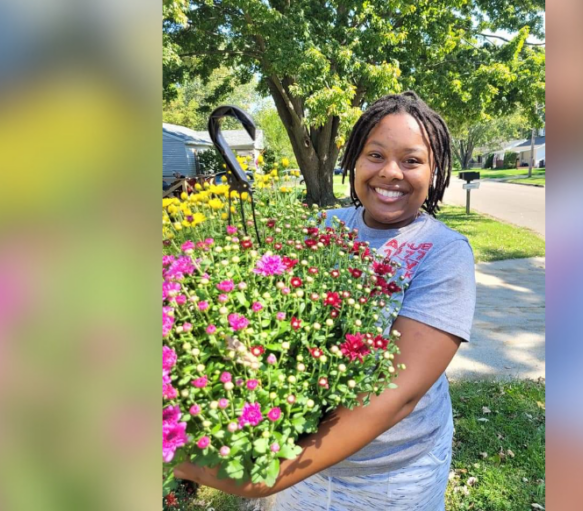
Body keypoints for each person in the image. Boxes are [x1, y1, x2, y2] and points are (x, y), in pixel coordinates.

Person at [174, 91, 477, 510]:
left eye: (411, 160)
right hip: (302, 466)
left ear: (434, 169)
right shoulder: (322, 225)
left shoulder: (443, 251)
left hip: (390, 476)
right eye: (375, 154)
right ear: (354, 159)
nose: (391, 172)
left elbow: (399, 396)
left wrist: (267, 479)